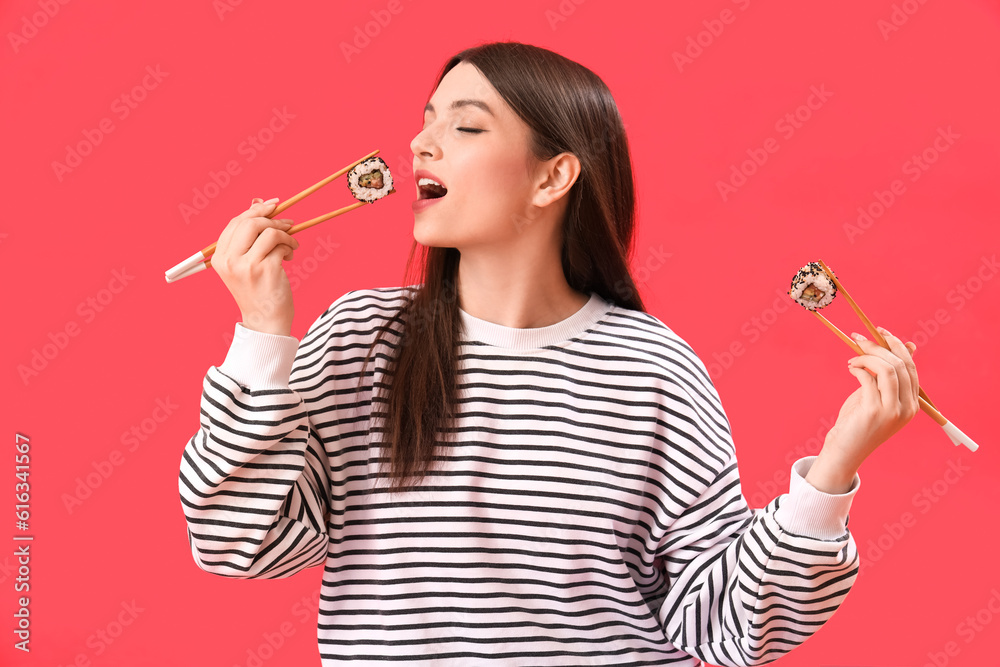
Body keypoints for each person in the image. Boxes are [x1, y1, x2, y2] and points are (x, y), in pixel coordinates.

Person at [177, 41, 920, 666]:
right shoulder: (362, 339)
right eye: (425, 120)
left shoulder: (651, 367)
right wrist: (262, 332)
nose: (419, 144)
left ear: (553, 175)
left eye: (465, 127)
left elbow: (722, 623)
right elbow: (238, 541)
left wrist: (833, 471)